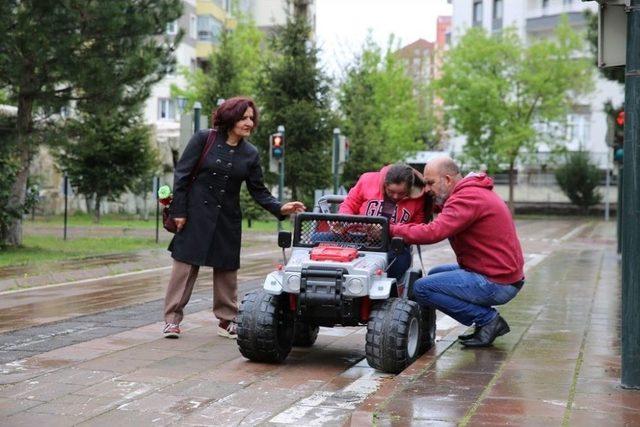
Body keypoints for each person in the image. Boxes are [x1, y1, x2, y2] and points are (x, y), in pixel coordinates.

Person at [163, 97, 305, 339]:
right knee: (185, 267)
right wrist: (178, 211)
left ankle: (227, 320)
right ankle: (172, 319)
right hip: (194, 215)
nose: (249, 122)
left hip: (227, 218)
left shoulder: (250, 153)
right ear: (230, 118)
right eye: (243, 118)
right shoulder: (203, 139)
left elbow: (258, 190)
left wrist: (281, 208)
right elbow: (183, 175)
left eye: (251, 118)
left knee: (227, 270)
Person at [390, 156, 524, 347]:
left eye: (430, 183)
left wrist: (392, 229)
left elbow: (434, 232)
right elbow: (439, 207)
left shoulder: (467, 198)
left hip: (497, 282)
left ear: (447, 180)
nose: (427, 189)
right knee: (435, 274)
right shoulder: (468, 192)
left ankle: (488, 320)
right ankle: (484, 323)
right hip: (500, 273)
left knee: (422, 287)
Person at [338, 163, 426, 281]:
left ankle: (387, 290)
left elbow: (417, 228)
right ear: (384, 184)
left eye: (401, 193)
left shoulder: (418, 199)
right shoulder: (367, 181)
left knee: (399, 260)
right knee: (317, 238)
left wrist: (388, 231)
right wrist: (343, 221)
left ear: (410, 189)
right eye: (391, 191)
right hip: (357, 237)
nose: (395, 196)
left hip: (393, 245)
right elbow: (349, 204)